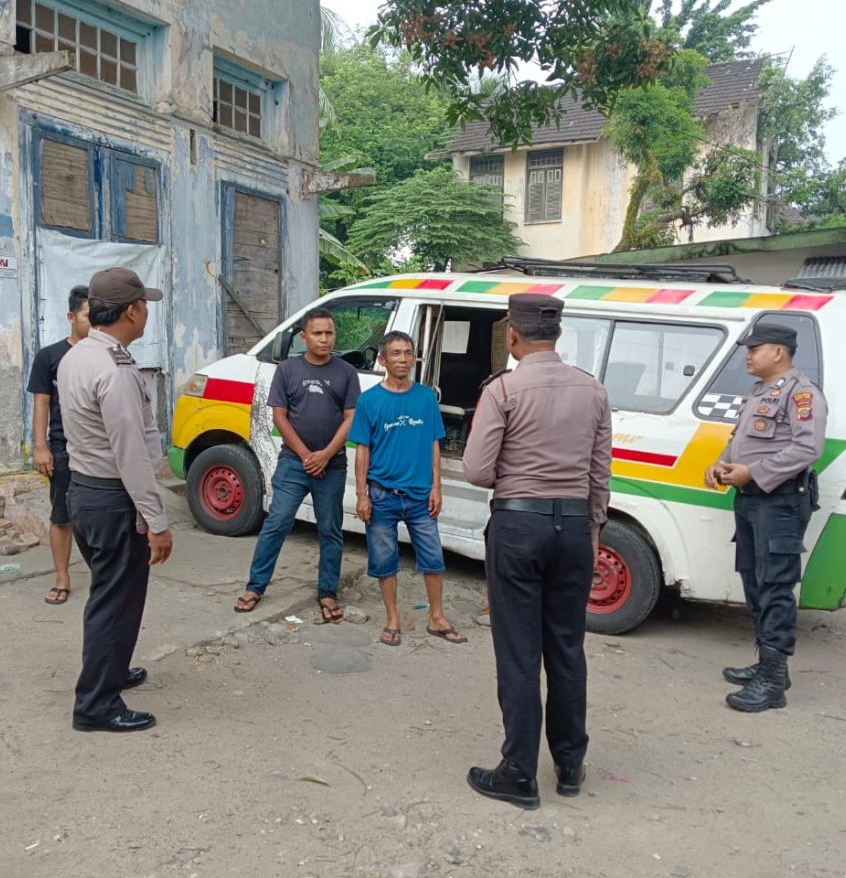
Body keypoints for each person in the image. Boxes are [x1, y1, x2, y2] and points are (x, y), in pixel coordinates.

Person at [462, 294, 612, 810]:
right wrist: (591, 528)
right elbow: (599, 475)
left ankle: (519, 772)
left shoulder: (502, 390)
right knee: (567, 648)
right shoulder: (593, 391)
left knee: (519, 651)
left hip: (518, 526)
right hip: (573, 527)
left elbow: (478, 471)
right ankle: (570, 765)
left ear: (513, 336)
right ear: (559, 335)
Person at [58, 267, 172, 733]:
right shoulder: (115, 369)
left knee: (115, 593)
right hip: (112, 497)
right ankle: (96, 704)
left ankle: (113, 669)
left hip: (85, 491)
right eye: (144, 304)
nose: (146, 312)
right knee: (115, 599)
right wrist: (158, 520)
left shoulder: (78, 355)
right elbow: (131, 454)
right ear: (130, 310)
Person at [704, 323, 828, 713]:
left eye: (754, 349)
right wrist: (720, 465)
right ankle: (767, 666)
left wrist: (754, 473)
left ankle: (773, 683)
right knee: (754, 580)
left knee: (775, 586)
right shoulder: (758, 391)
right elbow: (742, 440)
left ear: (779, 352)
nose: (747, 355)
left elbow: (808, 448)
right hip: (751, 500)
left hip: (780, 502)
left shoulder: (801, 393)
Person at [233, 308, 360, 622]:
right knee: (276, 523)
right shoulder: (288, 370)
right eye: (317, 333)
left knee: (330, 530)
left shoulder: (346, 372)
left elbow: (351, 418)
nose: (324, 339)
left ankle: (327, 592)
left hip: (332, 465)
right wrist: (306, 456)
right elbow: (279, 417)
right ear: (304, 336)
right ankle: (255, 586)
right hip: (293, 463)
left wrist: (326, 455)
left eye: (329, 332)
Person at [350, 331, 466, 647]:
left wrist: (437, 487)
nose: (403, 359)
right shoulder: (370, 400)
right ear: (383, 359)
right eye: (396, 353)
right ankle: (392, 619)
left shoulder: (426, 397)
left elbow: (433, 444)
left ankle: (436, 617)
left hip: (419, 496)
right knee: (384, 561)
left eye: (408, 353)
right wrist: (361, 494)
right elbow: (362, 450)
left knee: (433, 558)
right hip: (381, 495)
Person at [27, 285, 91, 605]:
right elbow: (41, 403)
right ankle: (62, 578)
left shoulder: (104, 355)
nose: (93, 324)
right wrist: (41, 447)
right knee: (62, 515)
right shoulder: (50, 356)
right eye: (87, 316)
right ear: (71, 316)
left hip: (97, 450)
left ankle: (104, 574)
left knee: (98, 514)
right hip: (63, 448)